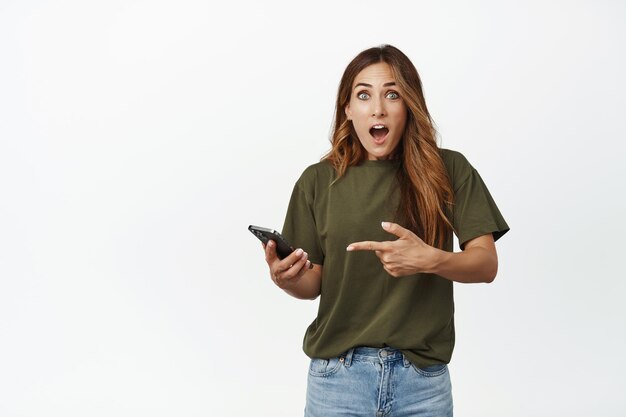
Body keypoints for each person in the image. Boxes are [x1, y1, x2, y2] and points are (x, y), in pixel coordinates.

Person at [261, 44, 509, 417]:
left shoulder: (450, 170)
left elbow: (486, 264)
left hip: (422, 383)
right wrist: (286, 278)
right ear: (348, 108)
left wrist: (431, 259)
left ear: (409, 104)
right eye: (363, 95)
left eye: (391, 94)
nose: (377, 108)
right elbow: (312, 284)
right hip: (337, 382)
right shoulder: (317, 181)